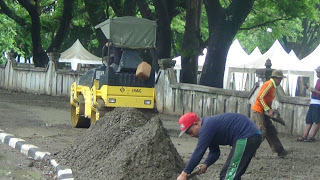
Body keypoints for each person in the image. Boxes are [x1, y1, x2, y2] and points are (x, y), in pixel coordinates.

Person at [176, 112, 262, 180]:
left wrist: (184, 173)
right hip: (250, 136)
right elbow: (215, 152)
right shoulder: (208, 128)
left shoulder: (206, 127)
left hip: (247, 136)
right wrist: (206, 164)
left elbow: (199, 151)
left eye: (190, 132)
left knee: (227, 176)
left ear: (196, 124)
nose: (191, 135)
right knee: (232, 174)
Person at [251, 69, 288, 158]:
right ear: (275, 78)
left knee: (271, 130)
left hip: (262, 110)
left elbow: (266, 100)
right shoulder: (269, 85)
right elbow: (260, 98)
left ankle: (280, 150)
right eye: (280, 79)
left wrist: (270, 110)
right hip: (258, 110)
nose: (280, 81)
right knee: (262, 131)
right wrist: (268, 110)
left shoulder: (272, 86)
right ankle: (250, 150)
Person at [296, 66, 320, 142]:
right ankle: (305, 136)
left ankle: (312, 137)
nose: (316, 74)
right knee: (309, 120)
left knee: (317, 121)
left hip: (318, 103)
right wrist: (311, 89)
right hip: (313, 102)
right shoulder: (318, 81)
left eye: (317, 72)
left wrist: (313, 90)